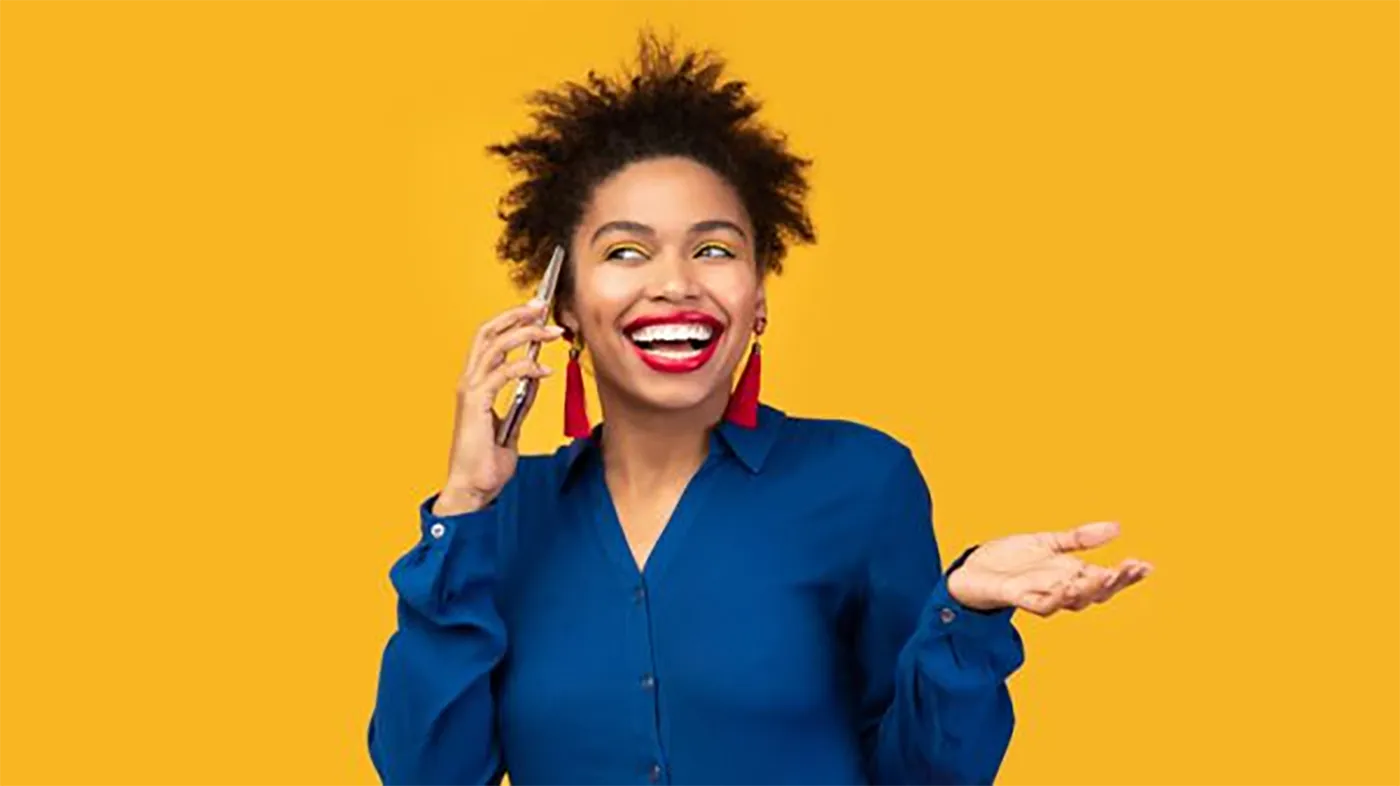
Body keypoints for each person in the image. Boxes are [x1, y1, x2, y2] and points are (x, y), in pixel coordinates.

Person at [367, 33, 1152, 786]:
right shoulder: (501, 522)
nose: (675, 282)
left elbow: (924, 776)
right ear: (564, 305)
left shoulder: (862, 480)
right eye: (626, 252)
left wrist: (966, 620)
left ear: (758, 300)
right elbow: (427, 775)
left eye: (714, 249)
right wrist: (464, 504)